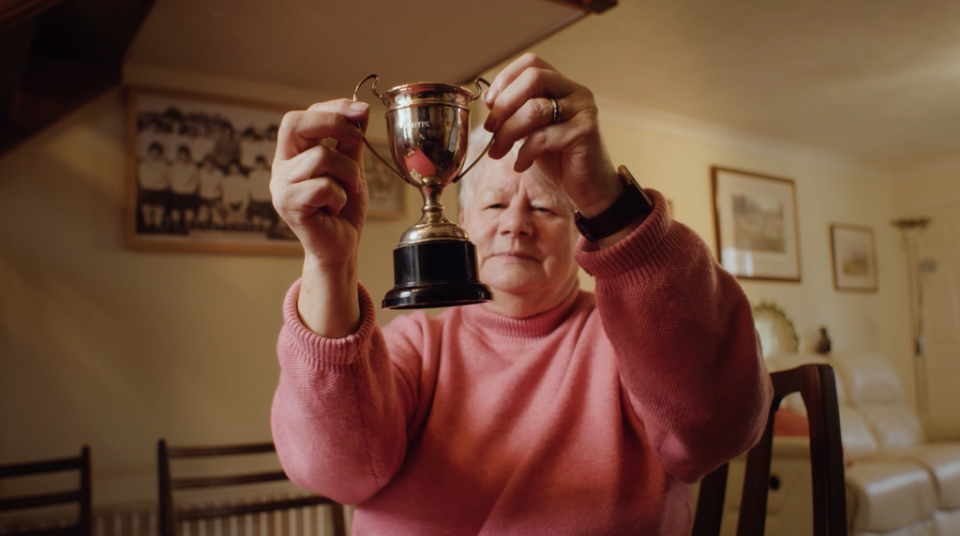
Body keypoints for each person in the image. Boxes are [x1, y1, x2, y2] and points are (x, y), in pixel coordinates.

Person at [269, 54, 772, 535]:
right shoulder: (415, 346)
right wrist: (329, 264)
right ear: (462, 221)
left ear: (579, 227)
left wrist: (607, 200)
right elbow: (335, 474)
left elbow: (721, 427)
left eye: (546, 210)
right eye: (493, 205)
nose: (515, 226)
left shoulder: (629, 341)